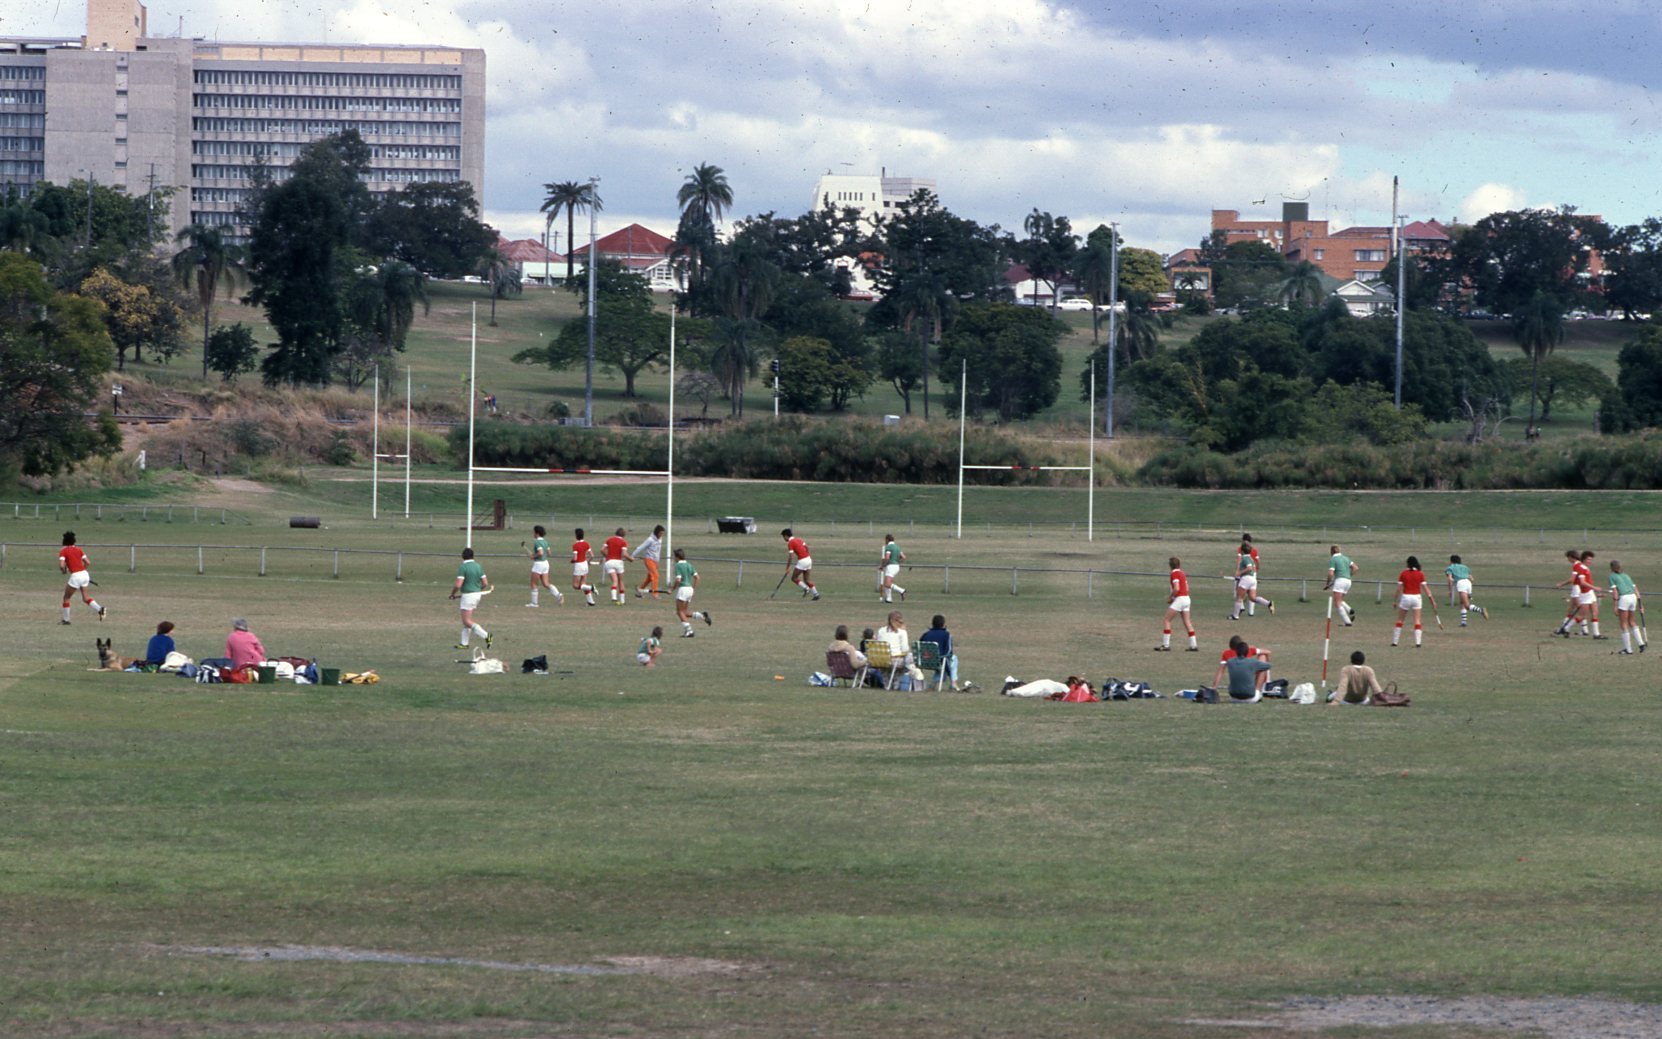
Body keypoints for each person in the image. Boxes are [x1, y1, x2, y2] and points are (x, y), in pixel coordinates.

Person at [57, 531, 106, 625]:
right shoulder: (79, 549)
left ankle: (66, 620)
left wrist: (64, 571)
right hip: (84, 574)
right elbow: (88, 562)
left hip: (76, 576)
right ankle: (100, 609)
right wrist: (82, 570)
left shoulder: (63, 551)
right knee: (85, 597)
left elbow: (62, 566)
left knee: (66, 598)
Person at [449, 547, 493, 649]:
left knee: (466, 621)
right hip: (477, 595)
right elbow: (485, 583)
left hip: (468, 596)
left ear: (463, 557)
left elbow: (458, 585)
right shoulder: (478, 566)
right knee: (467, 620)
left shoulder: (463, 567)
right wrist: (476, 589)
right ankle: (464, 643)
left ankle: (487, 636)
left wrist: (452, 594)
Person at [1552, 549, 1602, 638]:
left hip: (1588, 592)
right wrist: (1595, 588)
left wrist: (1594, 589)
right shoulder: (1581, 568)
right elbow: (1581, 582)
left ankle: (1596, 634)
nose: (1590, 561)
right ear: (1583, 559)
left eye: (1591, 560)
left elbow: (1576, 580)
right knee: (1581, 614)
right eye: (1588, 559)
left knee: (1594, 612)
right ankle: (1566, 628)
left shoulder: (1581, 567)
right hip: (1585, 593)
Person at [1157, 555, 1199, 652]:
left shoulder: (1174, 574)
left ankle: (1166, 645)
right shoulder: (1182, 573)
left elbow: (1176, 588)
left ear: (1170, 566)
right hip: (1187, 598)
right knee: (1187, 622)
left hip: (1180, 599)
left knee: (1166, 620)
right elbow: (1187, 588)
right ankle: (1193, 645)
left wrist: (1171, 597)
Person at [875, 610, 925, 688]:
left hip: (881, 659)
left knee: (899, 663)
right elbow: (905, 649)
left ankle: (888, 684)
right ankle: (911, 674)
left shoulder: (881, 630)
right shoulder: (902, 632)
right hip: (894, 661)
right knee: (909, 657)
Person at [670, 548, 711, 637]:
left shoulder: (678, 565)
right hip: (689, 589)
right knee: (684, 613)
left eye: (674, 557)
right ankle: (702, 616)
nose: (674, 558)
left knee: (679, 612)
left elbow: (678, 580)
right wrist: (693, 589)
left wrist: (671, 589)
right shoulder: (689, 564)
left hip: (683, 590)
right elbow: (697, 577)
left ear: (677, 557)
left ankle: (689, 631)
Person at [1229, 540, 1273, 621]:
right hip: (1252, 579)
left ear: (1242, 551)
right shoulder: (1251, 559)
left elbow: (1249, 568)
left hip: (1246, 579)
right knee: (1253, 598)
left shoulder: (1245, 559)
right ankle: (1268, 603)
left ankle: (1235, 616)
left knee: (1239, 597)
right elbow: (1252, 568)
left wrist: (1239, 573)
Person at [1608, 560, 1645, 655]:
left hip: (1624, 598)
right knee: (1632, 621)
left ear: (1612, 568)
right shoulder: (1626, 576)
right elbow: (1636, 589)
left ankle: (1628, 649)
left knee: (1623, 623)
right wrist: (1640, 604)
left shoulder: (1612, 576)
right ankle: (1641, 643)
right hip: (1633, 597)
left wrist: (1615, 605)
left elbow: (1615, 592)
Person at [1392, 556, 1428, 648]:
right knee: (1417, 620)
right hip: (1417, 597)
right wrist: (1432, 600)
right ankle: (1418, 643)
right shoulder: (1420, 574)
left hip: (1406, 597)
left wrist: (1395, 601)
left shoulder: (1403, 573)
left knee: (1400, 620)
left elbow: (1398, 589)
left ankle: (1395, 642)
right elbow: (1426, 589)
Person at [918, 614, 960, 690]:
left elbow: (919, 648)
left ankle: (933, 684)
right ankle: (953, 682)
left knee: (942, 662)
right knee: (953, 658)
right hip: (939, 661)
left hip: (924, 661)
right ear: (943, 624)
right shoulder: (946, 635)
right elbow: (948, 651)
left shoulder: (925, 634)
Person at [1444, 554, 1487, 626]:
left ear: (1451, 561)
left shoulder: (1450, 568)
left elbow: (1449, 579)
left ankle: (1481, 610)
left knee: (1467, 605)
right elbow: (1472, 578)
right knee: (1462, 603)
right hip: (1468, 583)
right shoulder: (1465, 567)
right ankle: (1463, 622)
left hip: (1461, 584)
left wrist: (1450, 590)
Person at [526, 524, 563, 607]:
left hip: (539, 564)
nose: (533, 534)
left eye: (534, 532)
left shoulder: (537, 542)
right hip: (546, 563)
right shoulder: (545, 542)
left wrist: (533, 556)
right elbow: (549, 553)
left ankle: (534, 603)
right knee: (545, 583)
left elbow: (540, 553)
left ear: (537, 533)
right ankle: (558, 595)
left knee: (533, 584)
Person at [781, 528, 819, 600]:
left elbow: (791, 556)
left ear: (786, 536)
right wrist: (807, 555)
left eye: (783, 537)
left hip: (803, 561)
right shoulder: (799, 539)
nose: (783, 539)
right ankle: (816, 594)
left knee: (794, 578)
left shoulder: (790, 542)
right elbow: (806, 547)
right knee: (807, 580)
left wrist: (787, 567)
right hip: (808, 559)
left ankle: (806, 589)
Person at [1325, 545, 1358, 626]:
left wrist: (1328, 583)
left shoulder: (1333, 559)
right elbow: (1355, 568)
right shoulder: (1346, 558)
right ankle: (1350, 610)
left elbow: (1330, 573)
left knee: (1337, 603)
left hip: (1340, 581)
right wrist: (1348, 575)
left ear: (1332, 551)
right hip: (1348, 581)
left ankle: (1347, 622)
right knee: (1339, 600)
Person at [602, 527, 633, 605]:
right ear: (623, 535)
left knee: (614, 581)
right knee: (620, 581)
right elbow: (624, 554)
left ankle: (614, 597)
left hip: (609, 562)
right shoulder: (623, 542)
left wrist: (607, 556)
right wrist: (631, 559)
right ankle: (622, 600)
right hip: (618, 562)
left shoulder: (609, 540)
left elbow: (602, 550)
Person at [634, 525, 665, 600]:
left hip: (655, 560)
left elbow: (658, 551)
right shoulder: (650, 539)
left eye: (662, 533)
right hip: (648, 559)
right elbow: (640, 547)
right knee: (655, 575)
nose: (661, 535)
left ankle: (640, 589)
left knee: (650, 577)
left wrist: (657, 561)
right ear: (657, 532)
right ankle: (655, 594)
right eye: (660, 533)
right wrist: (632, 555)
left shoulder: (660, 539)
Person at [570, 528, 597, 607]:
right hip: (585, 564)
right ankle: (591, 602)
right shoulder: (586, 544)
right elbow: (592, 555)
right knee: (583, 585)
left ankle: (591, 587)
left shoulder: (575, 545)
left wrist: (572, 561)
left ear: (576, 535)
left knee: (575, 585)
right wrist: (588, 561)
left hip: (578, 565)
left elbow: (575, 558)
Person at [877, 533, 907, 603]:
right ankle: (889, 599)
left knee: (887, 584)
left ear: (887, 540)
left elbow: (887, 558)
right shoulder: (897, 547)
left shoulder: (889, 547)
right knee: (888, 583)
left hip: (891, 566)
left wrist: (882, 566)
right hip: (896, 566)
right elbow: (904, 557)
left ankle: (902, 590)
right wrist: (896, 560)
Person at [1238, 534, 1263, 616]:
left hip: (1245, 572)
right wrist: (1257, 570)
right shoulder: (1254, 550)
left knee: (1239, 591)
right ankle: (1251, 612)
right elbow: (1258, 561)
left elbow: (1239, 560)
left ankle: (1241, 607)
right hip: (1253, 573)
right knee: (1252, 593)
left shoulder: (1241, 549)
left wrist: (1238, 571)